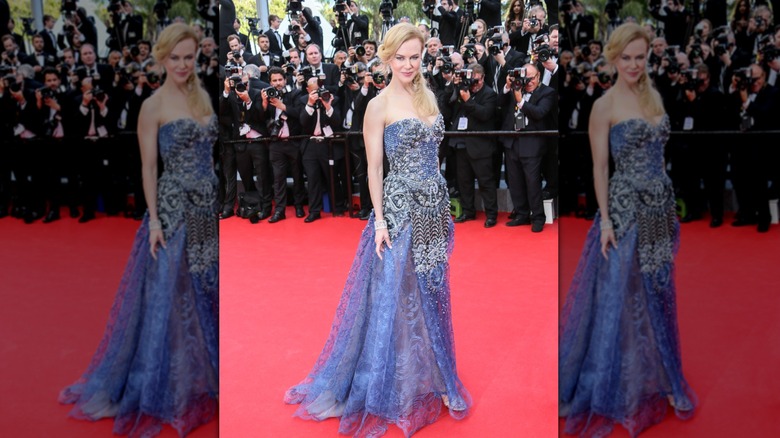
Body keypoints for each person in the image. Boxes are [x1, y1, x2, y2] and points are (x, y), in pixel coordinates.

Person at [284, 23, 471, 436]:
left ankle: (440, 376)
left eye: (415, 57)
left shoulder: (430, 96)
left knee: (434, 292)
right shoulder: (378, 105)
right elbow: (373, 168)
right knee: (398, 297)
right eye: (400, 57)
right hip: (401, 211)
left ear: (423, 57)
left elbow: (433, 153)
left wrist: (439, 204)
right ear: (388, 59)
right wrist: (381, 220)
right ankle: (394, 381)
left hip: (433, 209)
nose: (408, 65)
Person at [58, 23, 219, 437]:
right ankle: (174, 384)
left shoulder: (203, 97)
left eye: (189, 57)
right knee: (175, 296)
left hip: (208, 208)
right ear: (162, 59)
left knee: (208, 289)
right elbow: (148, 169)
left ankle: (208, 376)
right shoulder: (152, 105)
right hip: (173, 208)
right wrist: (154, 221)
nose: (183, 64)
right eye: (175, 57)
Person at [558, 23, 696, 437]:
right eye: (626, 57)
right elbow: (600, 169)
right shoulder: (604, 106)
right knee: (623, 295)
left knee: (658, 292)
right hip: (623, 209)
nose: (634, 64)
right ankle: (619, 383)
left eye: (640, 57)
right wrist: (604, 221)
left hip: (659, 209)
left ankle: (667, 376)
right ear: (614, 58)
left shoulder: (654, 97)